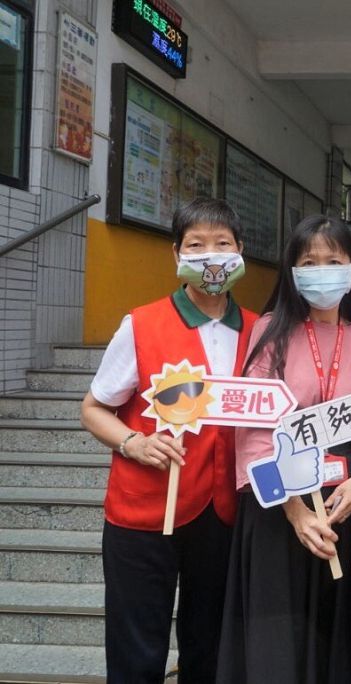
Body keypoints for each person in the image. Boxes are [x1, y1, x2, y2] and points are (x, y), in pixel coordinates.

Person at [80, 198, 258, 682]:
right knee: (137, 647)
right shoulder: (141, 324)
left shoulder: (260, 331)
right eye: (197, 246)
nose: (211, 256)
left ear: (240, 252)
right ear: (176, 255)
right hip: (144, 512)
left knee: (211, 647)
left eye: (223, 244)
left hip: (224, 515)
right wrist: (132, 442)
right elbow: (93, 409)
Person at [216, 216, 351, 682]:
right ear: (292, 270)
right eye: (309, 261)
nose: (322, 270)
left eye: (334, 260)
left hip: (344, 504)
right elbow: (252, 435)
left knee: (343, 639)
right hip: (279, 507)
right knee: (280, 642)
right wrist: (294, 512)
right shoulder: (270, 331)